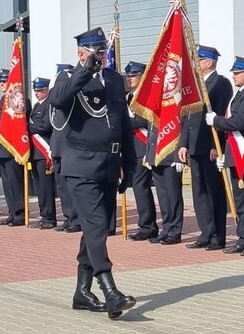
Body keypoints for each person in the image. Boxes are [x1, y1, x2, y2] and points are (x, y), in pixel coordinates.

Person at [49, 27, 136, 318]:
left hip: (109, 163)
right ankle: (110, 291)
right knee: (96, 225)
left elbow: (122, 122)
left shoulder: (114, 79)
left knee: (97, 229)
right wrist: (85, 70)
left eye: (102, 50)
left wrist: (130, 164)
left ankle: (82, 293)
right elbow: (58, 100)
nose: (100, 55)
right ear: (80, 52)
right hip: (81, 164)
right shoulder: (68, 78)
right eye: (95, 51)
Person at [207, 56, 244, 256]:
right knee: (239, 199)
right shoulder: (238, 95)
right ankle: (242, 237)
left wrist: (216, 121)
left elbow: (240, 122)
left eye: (237, 73)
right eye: (234, 73)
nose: (234, 76)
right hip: (234, 152)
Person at [178, 45, 233, 251]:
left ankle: (218, 235)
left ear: (209, 62)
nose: (196, 63)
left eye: (199, 60)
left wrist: (216, 145)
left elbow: (220, 114)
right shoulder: (195, 85)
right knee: (199, 192)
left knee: (214, 191)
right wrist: (183, 143)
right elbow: (187, 116)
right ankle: (205, 232)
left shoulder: (221, 83)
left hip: (210, 146)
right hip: (194, 145)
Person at [124, 61, 159, 241]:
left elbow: (149, 120)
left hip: (145, 145)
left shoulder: (148, 95)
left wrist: (125, 122)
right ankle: (147, 224)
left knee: (141, 186)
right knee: (138, 186)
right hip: (131, 148)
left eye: (134, 75)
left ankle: (148, 226)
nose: (130, 79)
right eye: (128, 76)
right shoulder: (127, 96)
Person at [0, 69, 28, 227]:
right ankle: (12, 212)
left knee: (15, 182)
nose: (1, 84)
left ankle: (19, 213)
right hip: (2, 147)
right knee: (7, 183)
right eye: (0, 81)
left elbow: (20, 124)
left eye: (4, 81)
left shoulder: (19, 99)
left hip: (13, 148)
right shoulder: (3, 99)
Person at [50, 63, 81, 233]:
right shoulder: (54, 100)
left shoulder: (71, 98)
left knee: (72, 186)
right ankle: (69, 217)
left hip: (68, 146)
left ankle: (76, 219)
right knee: (62, 186)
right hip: (57, 146)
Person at [145, 125, 184, 245]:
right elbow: (151, 130)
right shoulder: (155, 112)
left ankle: (175, 231)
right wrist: (149, 154)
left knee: (174, 196)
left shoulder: (175, 112)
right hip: (156, 156)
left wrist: (177, 157)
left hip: (170, 157)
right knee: (163, 197)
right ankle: (166, 228)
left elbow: (179, 131)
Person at [28, 77, 57, 229]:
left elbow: (46, 125)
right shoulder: (36, 106)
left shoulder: (49, 105)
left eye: (40, 90)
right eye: (35, 91)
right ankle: (43, 215)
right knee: (39, 186)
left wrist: (27, 127)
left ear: (46, 90)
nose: (37, 93)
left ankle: (49, 217)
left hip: (44, 151)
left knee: (46, 186)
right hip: (35, 152)